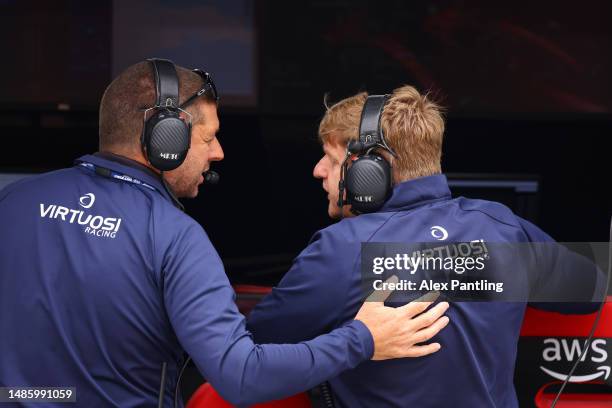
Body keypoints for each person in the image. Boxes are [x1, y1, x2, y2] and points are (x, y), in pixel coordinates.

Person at [0, 60, 451, 407]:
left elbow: (270, 331)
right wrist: (363, 338)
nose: (218, 152)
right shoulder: (506, 234)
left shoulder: (14, 202)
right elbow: (243, 369)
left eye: (328, 161)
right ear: (165, 139)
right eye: (208, 137)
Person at [246, 86, 605, 407]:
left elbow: (248, 350)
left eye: (332, 159)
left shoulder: (341, 249)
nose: (318, 170)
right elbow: (589, 290)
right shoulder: (501, 227)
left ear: (370, 170)